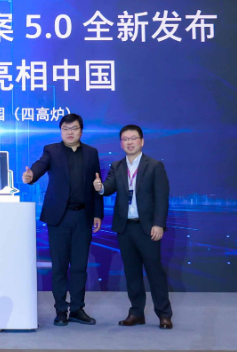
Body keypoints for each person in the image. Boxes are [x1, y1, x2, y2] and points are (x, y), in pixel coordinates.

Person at [22, 114, 104, 326]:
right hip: (59, 217)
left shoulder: (91, 153)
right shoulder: (52, 150)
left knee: (79, 266)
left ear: (81, 131)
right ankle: (60, 310)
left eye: (74, 128)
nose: (69, 132)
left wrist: (97, 213)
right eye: (65, 128)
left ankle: (77, 309)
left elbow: (97, 184)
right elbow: (40, 166)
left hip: (83, 216)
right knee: (59, 266)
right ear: (61, 131)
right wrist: (31, 176)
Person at [93, 125, 173, 329]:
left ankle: (164, 314)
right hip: (125, 228)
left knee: (155, 272)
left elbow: (162, 198)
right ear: (121, 143)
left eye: (133, 138)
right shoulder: (117, 166)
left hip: (148, 228)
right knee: (132, 273)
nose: (129, 142)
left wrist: (159, 224)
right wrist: (100, 188)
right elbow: (109, 188)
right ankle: (136, 313)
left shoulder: (154, 166)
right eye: (125, 139)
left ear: (142, 141)